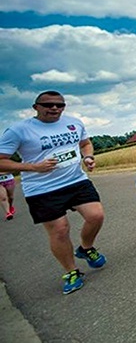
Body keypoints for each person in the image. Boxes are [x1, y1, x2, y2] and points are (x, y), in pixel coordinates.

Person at [0, 90, 106, 295]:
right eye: (49, 105)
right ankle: (71, 271)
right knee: (60, 230)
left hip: (76, 181)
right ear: (36, 107)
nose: (55, 108)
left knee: (96, 215)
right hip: (42, 189)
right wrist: (33, 167)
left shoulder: (74, 122)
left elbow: (85, 144)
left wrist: (88, 157)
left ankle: (86, 248)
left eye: (60, 105)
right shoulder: (18, 131)